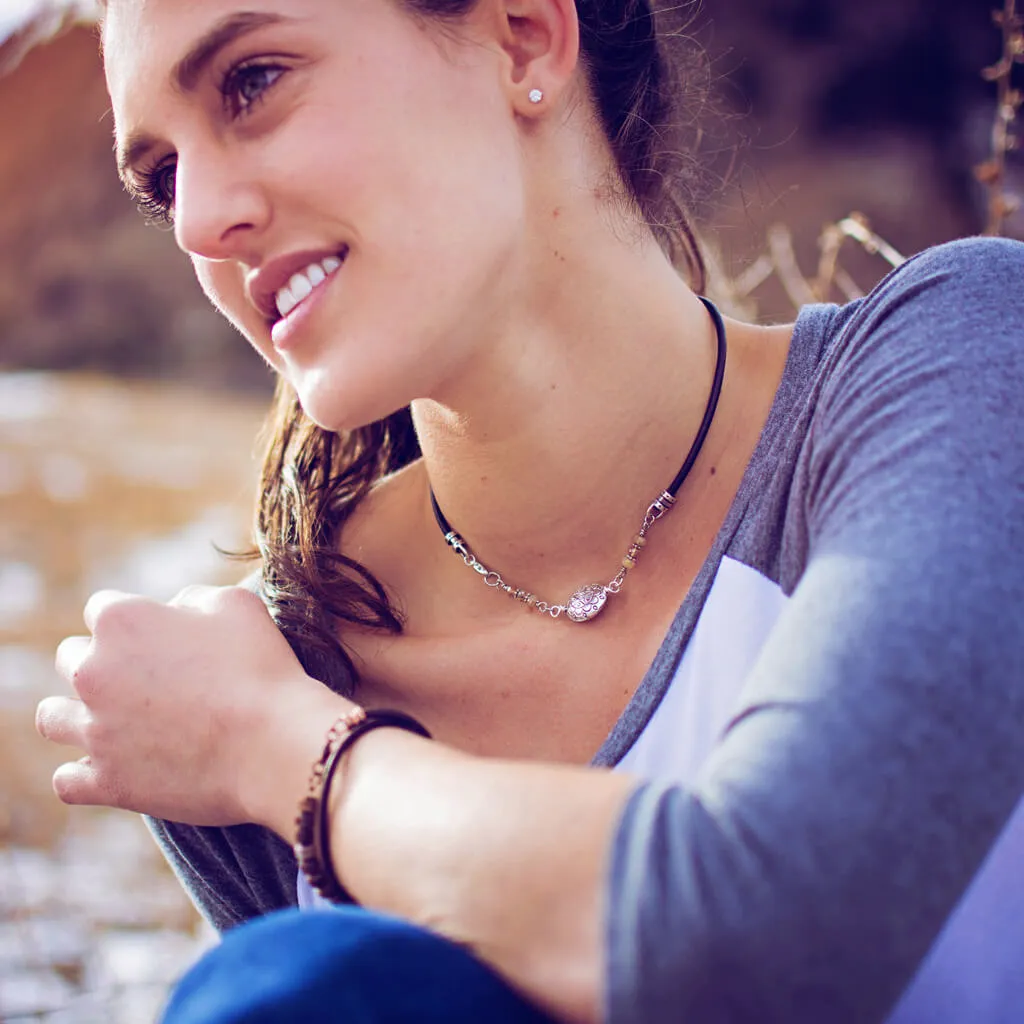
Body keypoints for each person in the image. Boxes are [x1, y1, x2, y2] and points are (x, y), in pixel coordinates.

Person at [33, 0, 1024, 1021]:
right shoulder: (279, 663)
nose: (195, 220)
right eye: (161, 179)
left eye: (253, 81)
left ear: (521, 37)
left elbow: (767, 937)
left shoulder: (952, 363)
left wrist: (280, 751)